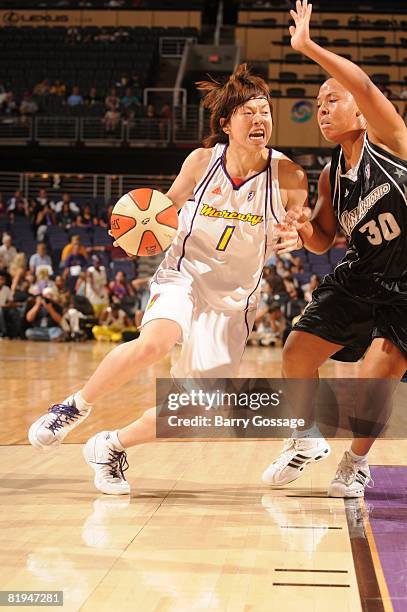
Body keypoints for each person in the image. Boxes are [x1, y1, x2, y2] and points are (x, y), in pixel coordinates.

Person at [28, 63, 308, 495]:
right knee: (156, 341)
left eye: (265, 111)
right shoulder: (201, 162)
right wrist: (132, 228)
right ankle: (73, 407)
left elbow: (297, 222)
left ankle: (110, 446)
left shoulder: (288, 175)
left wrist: (293, 234)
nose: (260, 120)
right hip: (184, 276)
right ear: (226, 123)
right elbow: (164, 210)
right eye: (249, 112)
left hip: (232, 303)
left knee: (196, 412)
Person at [262, 0, 407, 498]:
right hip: (362, 273)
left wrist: (306, 46)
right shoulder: (331, 173)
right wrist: (300, 225)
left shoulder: (390, 142)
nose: (323, 110)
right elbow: (324, 238)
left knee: (379, 375)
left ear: (362, 113)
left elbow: (364, 86)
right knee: (297, 352)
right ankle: (304, 437)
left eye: (332, 100)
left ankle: (356, 463)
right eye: (319, 104)